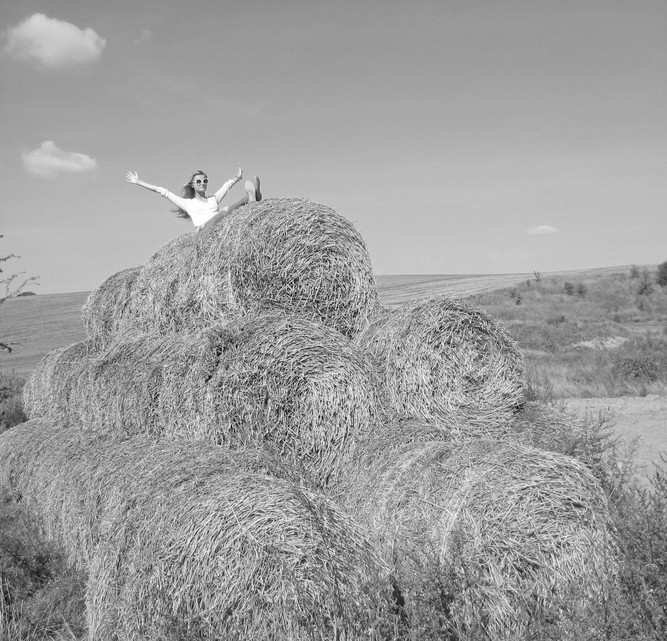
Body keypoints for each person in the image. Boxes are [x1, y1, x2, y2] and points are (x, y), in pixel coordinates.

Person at [126, 168, 262, 231]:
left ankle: (251, 198)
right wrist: (139, 182)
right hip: (204, 231)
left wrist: (237, 177)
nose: (202, 183)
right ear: (192, 184)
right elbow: (163, 191)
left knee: (227, 211)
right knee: (224, 211)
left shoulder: (213, 199)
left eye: (205, 180)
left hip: (220, 226)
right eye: (198, 181)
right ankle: (250, 199)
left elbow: (226, 186)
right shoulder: (187, 203)